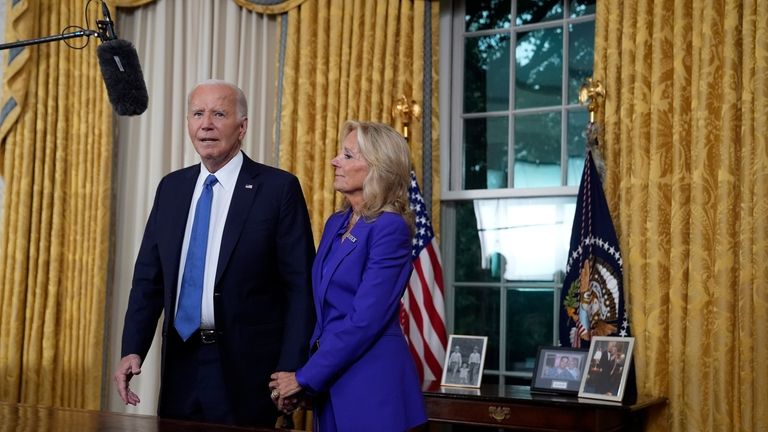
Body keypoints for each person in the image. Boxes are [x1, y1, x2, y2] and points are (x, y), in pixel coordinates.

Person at [113, 80, 315, 427]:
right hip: (181, 364)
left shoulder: (278, 189)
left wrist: (291, 366)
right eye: (197, 114)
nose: (206, 124)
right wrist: (132, 347)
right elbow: (149, 279)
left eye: (219, 114)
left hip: (248, 371)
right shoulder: (171, 188)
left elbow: (300, 288)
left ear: (242, 127)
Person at [269, 121, 427, 431]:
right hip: (331, 383)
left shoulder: (390, 228)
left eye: (348, 155)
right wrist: (305, 381)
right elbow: (322, 313)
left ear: (378, 168)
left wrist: (303, 378)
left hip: (372, 388)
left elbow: (363, 321)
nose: (334, 161)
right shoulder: (336, 223)